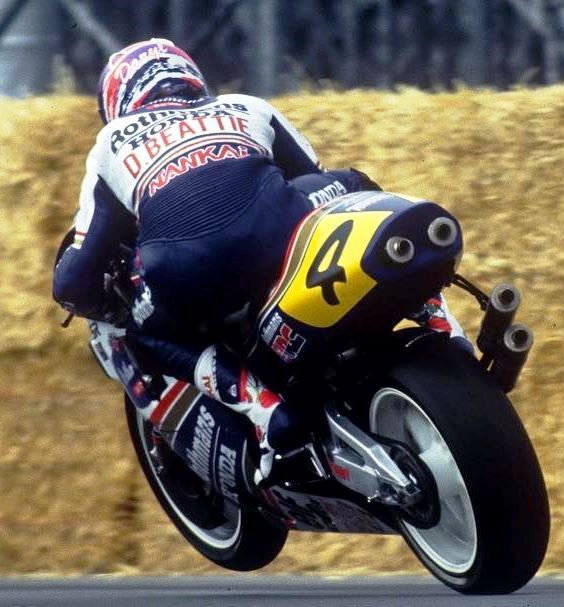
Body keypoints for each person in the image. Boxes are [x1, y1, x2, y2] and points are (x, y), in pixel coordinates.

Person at [53, 38, 465, 480]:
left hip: (189, 268)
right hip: (277, 230)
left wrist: (109, 304)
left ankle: (264, 409)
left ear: (117, 102)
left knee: (138, 334)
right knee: (353, 185)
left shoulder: (111, 143)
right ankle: (435, 315)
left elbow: (72, 281)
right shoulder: (248, 106)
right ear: (190, 76)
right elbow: (315, 179)